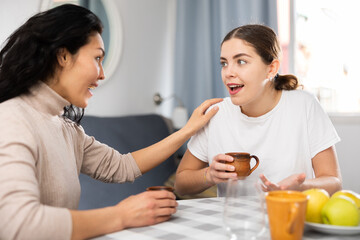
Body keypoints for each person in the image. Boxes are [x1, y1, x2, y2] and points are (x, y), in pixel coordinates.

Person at [0, 4, 222, 240]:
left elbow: (122, 166)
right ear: (63, 56)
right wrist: (121, 215)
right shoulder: (11, 119)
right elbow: (18, 224)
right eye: (97, 58)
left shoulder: (67, 129)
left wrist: (187, 130)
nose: (102, 74)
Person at [175, 24, 342, 198]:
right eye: (224, 63)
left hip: (286, 217)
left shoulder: (304, 105)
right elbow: (181, 185)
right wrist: (209, 175)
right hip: (233, 222)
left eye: (241, 61)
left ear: (271, 68)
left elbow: (334, 182)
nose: (228, 72)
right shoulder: (215, 114)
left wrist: (301, 187)